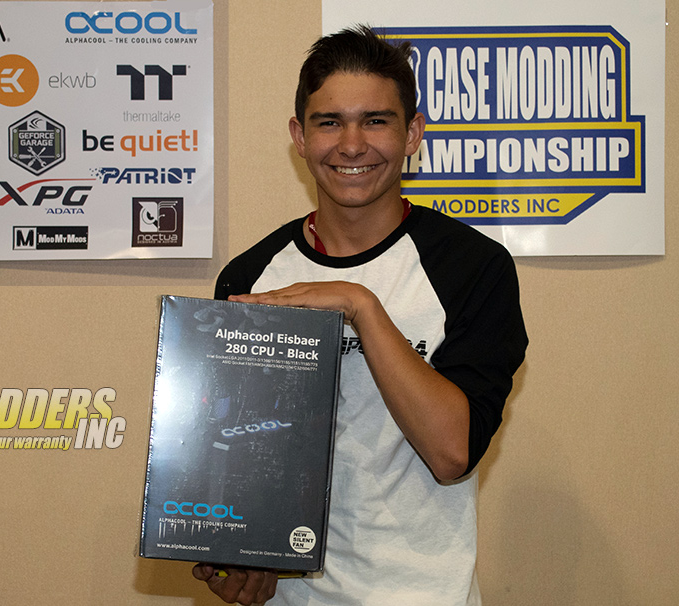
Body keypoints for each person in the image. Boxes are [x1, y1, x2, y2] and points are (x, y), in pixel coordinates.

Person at [193, 25, 527, 605]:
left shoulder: (473, 268)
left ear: (412, 133)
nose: (351, 145)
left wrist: (360, 305)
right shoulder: (250, 277)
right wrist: (237, 554)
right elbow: (233, 451)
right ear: (299, 137)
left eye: (375, 120)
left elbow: (452, 453)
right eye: (329, 122)